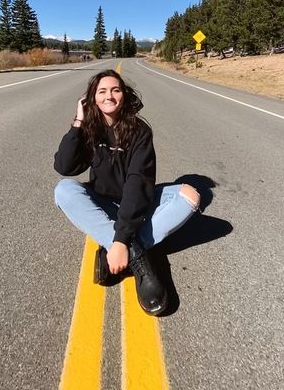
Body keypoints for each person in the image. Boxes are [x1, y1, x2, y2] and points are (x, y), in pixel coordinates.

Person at [54, 69, 200, 315]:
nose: (109, 96)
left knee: (190, 196)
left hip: (137, 204)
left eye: (115, 90)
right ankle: (138, 256)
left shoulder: (139, 131)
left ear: (124, 95)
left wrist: (121, 239)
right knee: (63, 190)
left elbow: (137, 183)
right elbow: (64, 167)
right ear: (92, 98)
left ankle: (121, 247)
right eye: (102, 91)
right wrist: (78, 123)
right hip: (103, 202)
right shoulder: (89, 129)